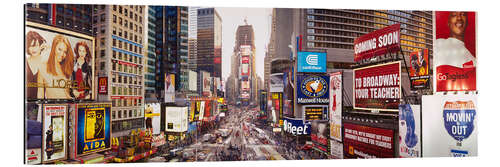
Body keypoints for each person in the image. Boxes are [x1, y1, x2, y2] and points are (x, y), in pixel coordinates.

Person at [38, 35, 74, 99]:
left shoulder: (66, 69)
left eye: (65, 52)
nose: (62, 54)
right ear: (54, 48)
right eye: (59, 49)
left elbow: (67, 94)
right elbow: (40, 95)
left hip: (67, 106)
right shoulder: (43, 67)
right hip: (52, 108)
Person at [26, 31, 47, 99]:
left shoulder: (45, 62)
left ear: (41, 45)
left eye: (36, 45)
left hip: (42, 102)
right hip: (26, 103)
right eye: (31, 46)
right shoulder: (24, 62)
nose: (34, 49)